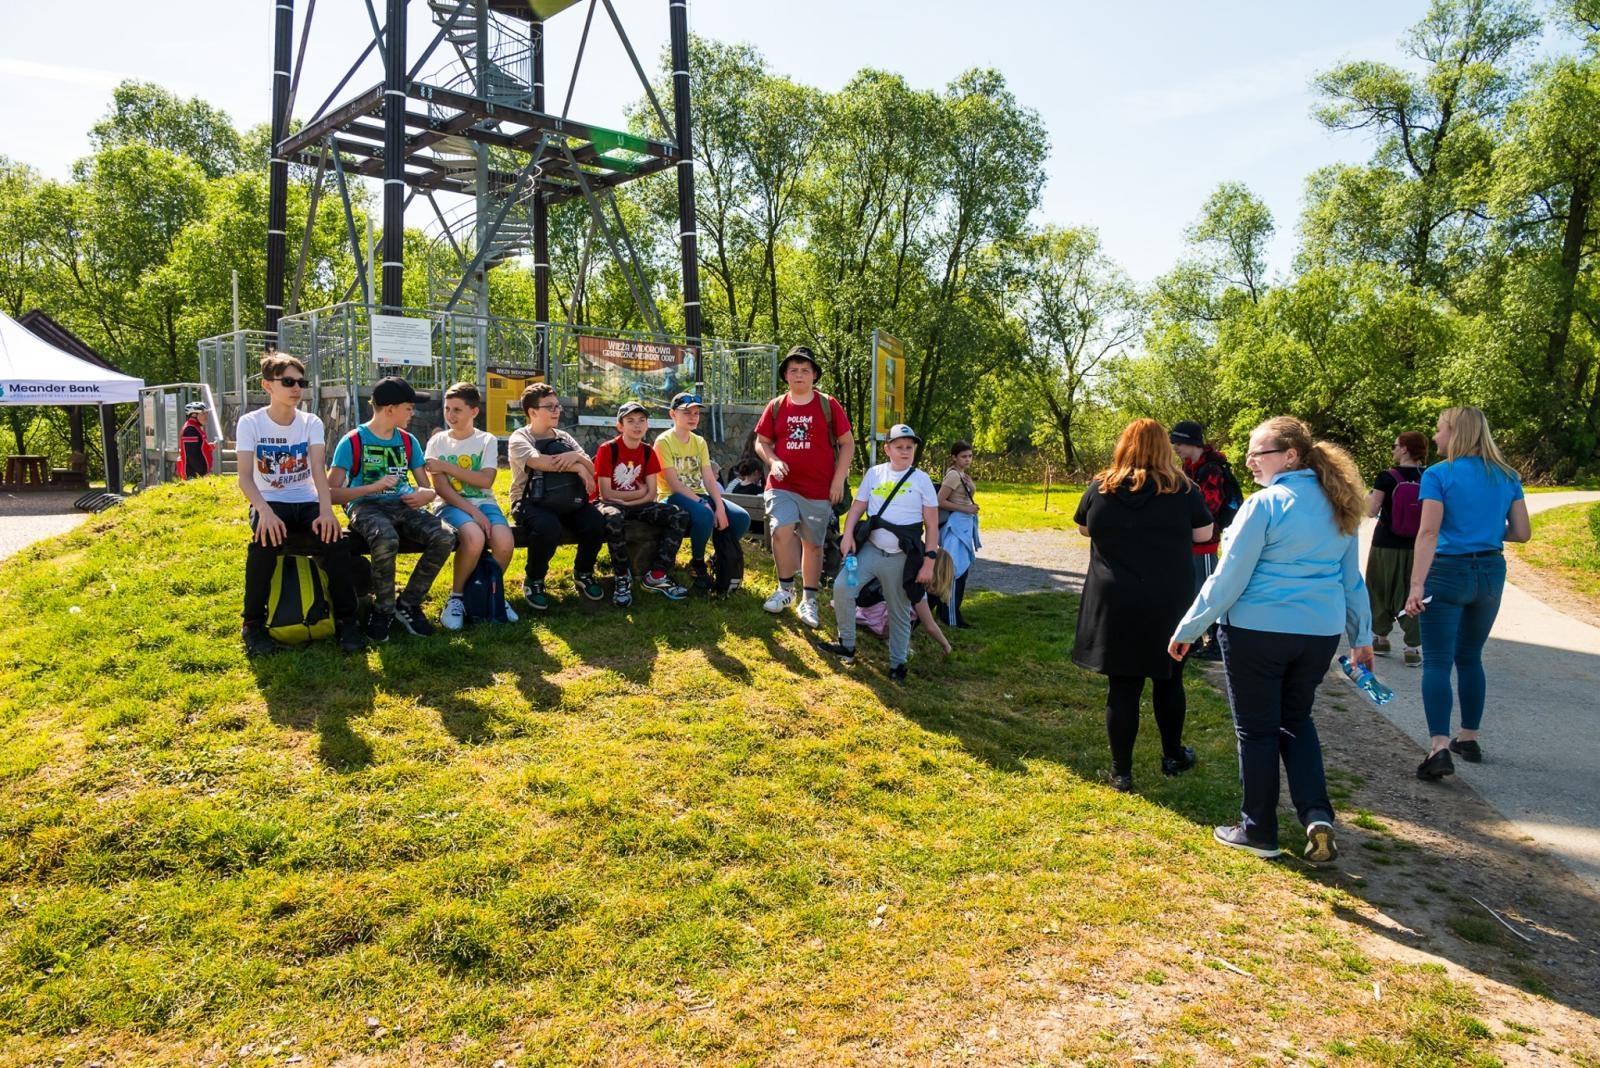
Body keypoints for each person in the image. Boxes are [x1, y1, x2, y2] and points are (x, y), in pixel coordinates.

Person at [1169, 416, 1373, 865]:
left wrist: (1188, 627)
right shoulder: (1338, 504)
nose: (1250, 460)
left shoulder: (1265, 504)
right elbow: (1350, 580)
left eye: (1258, 452)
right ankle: (1317, 815)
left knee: (1257, 730)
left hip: (1257, 632)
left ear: (1291, 456)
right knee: (1296, 720)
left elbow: (1228, 578)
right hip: (1318, 634)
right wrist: (1362, 637)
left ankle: (1258, 830)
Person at [1073, 419, 1213, 793]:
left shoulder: (1101, 487)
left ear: (1123, 446)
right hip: (1167, 599)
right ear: (1164, 448)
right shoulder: (1183, 489)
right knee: (1169, 678)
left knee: (1123, 685)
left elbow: (1084, 528)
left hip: (1115, 599)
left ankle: (1122, 772)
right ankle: (1172, 755)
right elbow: (1204, 533)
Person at [1405, 406, 1531, 781]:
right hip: (1491, 571)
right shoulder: (1507, 475)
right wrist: (1486, 530)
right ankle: (1470, 738)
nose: (1435, 437)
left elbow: (1428, 533)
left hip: (1447, 572)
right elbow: (1522, 532)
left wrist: (1415, 586)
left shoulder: (1439, 474)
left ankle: (1439, 747)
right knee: (1471, 657)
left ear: (1456, 433)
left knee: (1438, 660)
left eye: (1440, 430)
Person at [235, 352, 364, 656]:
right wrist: (264, 512)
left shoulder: (311, 422)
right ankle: (252, 624)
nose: (296, 388)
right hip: (270, 500)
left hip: (306, 499)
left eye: (300, 382)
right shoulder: (250, 423)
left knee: (336, 541)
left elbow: (318, 470)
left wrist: (325, 510)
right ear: (268, 385)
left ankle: (347, 620)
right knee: (264, 543)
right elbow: (244, 478)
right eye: (288, 381)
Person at [328, 376, 455, 642]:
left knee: (445, 536)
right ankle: (382, 610)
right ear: (390, 409)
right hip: (365, 506)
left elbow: (426, 487)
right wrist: (369, 489)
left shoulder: (408, 442)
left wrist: (425, 495)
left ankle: (408, 604)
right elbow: (331, 493)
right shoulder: (352, 441)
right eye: (409, 408)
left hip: (404, 505)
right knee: (386, 538)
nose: (413, 413)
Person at [816, 424, 938, 681]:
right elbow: (858, 508)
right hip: (871, 549)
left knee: (899, 609)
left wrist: (929, 561)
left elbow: (932, 525)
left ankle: (897, 664)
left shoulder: (922, 480)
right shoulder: (875, 474)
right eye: (899, 447)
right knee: (842, 588)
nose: (905, 452)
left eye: (909, 447)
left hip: (901, 557)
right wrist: (848, 534)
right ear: (887, 449)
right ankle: (846, 645)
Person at [754, 345, 854, 627]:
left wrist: (838, 480)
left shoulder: (828, 404)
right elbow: (761, 442)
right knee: (781, 530)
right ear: (785, 375)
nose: (799, 374)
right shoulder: (775, 406)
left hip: (818, 489)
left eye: (805, 370)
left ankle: (809, 601)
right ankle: (785, 589)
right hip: (782, 485)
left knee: (813, 545)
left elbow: (847, 444)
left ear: (814, 375)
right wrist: (773, 461)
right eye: (794, 370)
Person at [506, 382, 608, 611]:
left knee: (595, 522)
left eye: (558, 406)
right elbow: (538, 462)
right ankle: (534, 579)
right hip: (530, 501)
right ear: (532, 412)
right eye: (549, 407)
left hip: (566, 498)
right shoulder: (520, 437)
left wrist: (576, 458)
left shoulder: (564, 437)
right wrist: (577, 467)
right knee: (547, 527)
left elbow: (591, 467)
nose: (556, 411)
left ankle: (583, 572)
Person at [424, 382, 518, 630]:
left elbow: (486, 480)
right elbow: (442, 489)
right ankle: (457, 598)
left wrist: (447, 466)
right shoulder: (437, 442)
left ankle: (489, 592)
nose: (450, 415)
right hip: (449, 504)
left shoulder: (486, 440)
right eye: (447, 409)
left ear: (474, 411)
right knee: (474, 538)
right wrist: (473, 512)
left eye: (457, 410)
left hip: (485, 502)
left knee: (505, 543)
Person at [593, 401, 691, 605]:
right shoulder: (608, 449)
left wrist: (633, 499)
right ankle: (622, 577)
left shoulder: (648, 451)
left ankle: (656, 575)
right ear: (620, 426)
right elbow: (605, 493)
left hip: (636, 503)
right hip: (609, 504)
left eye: (641, 421)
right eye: (630, 421)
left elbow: (651, 493)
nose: (637, 425)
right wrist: (638, 494)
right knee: (613, 518)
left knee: (679, 515)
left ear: (647, 425)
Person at [654, 391, 752, 590]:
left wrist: (721, 507)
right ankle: (697, 562)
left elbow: (708, 477)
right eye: (687, 412)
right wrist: (703, 503)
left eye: (696, 413)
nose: (693, 417)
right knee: (705, 514)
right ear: (673, 414)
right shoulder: (663, 442)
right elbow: (673, 483)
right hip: (671, 497)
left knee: (742, 518)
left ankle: (717, 557)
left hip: (699, 495)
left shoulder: (699, 442)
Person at [1169, 420, 1237, 660]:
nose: (1175, 447)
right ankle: (1195, 639)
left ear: (1191, 442)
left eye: (1178, 442)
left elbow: (1210, 506)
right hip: (1191, 539)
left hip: (1207, 541)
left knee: (1208, 591)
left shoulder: (1211, 469)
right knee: (1191, 590)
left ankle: (1217, 643)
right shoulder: (1190, 466)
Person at [1365, 431, 1428, 666]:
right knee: (1412, 592)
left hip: (1385, 544)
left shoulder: (1386, 477)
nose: (1392, 450)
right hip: (1419, 545)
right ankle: (1412, 648)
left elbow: (1371, 510)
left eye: (1395, 446)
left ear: (1404, 449)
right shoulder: (1431, 477)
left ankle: (1380, 638)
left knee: (1379, 588)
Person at [932, 440, 980, 628]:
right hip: (956, 528)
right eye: (963, 456)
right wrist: (965, 509)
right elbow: (939, 500)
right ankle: (950, 617)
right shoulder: (953, 476)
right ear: (954, 457)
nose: (967, 459)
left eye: (969, 456)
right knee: (954, 572)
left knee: (960, 571)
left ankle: (947, 612)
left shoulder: (962, 475)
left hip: (963, 526)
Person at [179, 401, 213, 479]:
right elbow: (191, 455)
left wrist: (208, 447)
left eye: (206, 413)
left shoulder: (194, 427)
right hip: (193, 475)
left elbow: (197, 449)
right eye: (203, 414)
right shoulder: (190, 429)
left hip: (196, 474)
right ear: (194, 415)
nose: (206, 416)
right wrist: (203, 473)